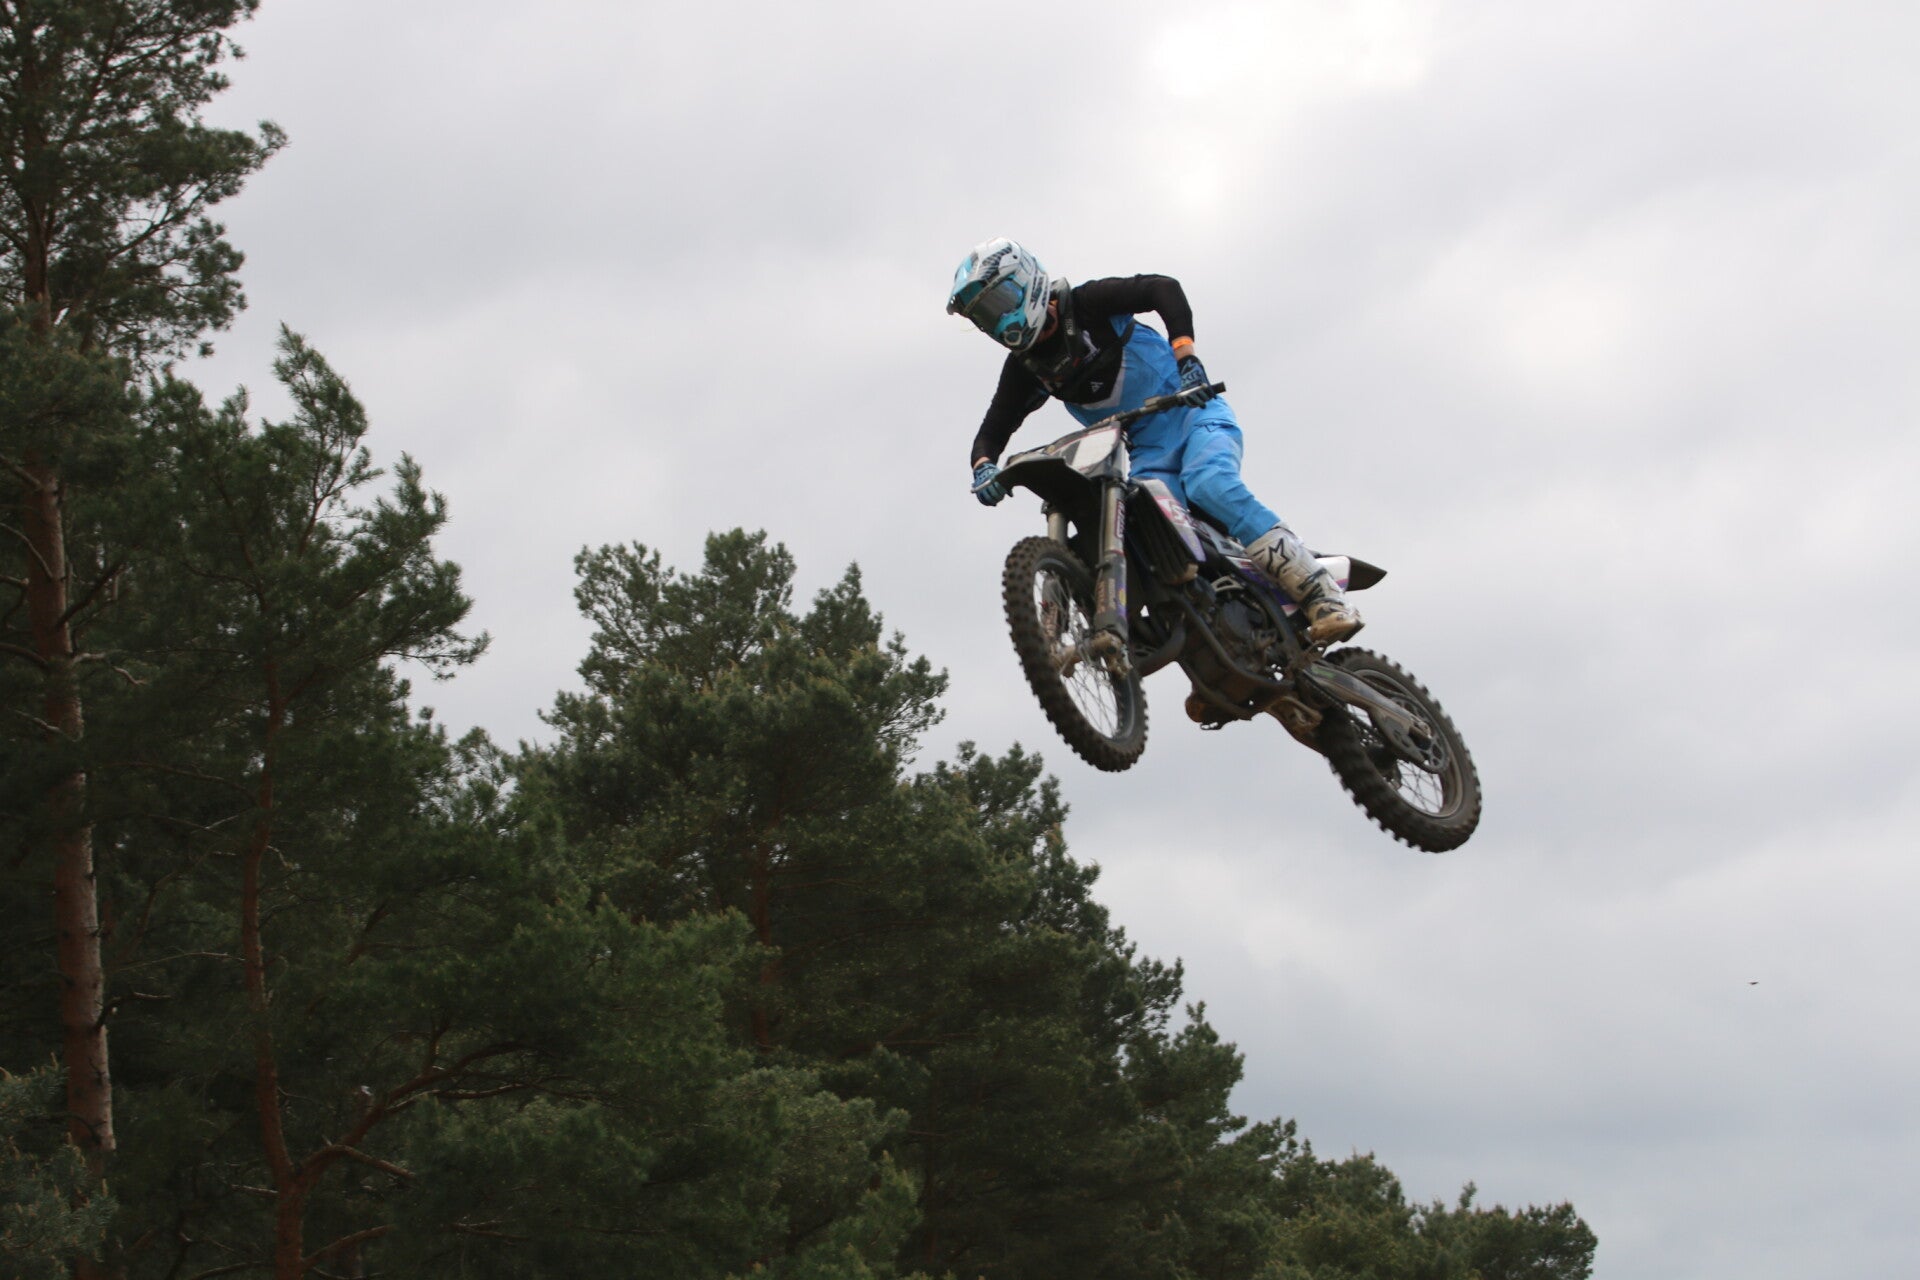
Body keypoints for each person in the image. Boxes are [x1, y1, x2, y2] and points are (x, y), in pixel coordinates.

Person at [946, 236, 1363, 645]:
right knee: (1143, 529)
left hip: (1196, 415)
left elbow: (1163, 289)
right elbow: (994, 428)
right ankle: (1199, 633)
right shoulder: (1026, 368)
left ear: (1026, 282)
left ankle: (1321, 594)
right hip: (1149, 451)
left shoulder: (1087, 304)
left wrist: (1187, 358)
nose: (998, 322)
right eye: (985, 317)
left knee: (1209, 484)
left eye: (998, 304)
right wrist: (984, 467)